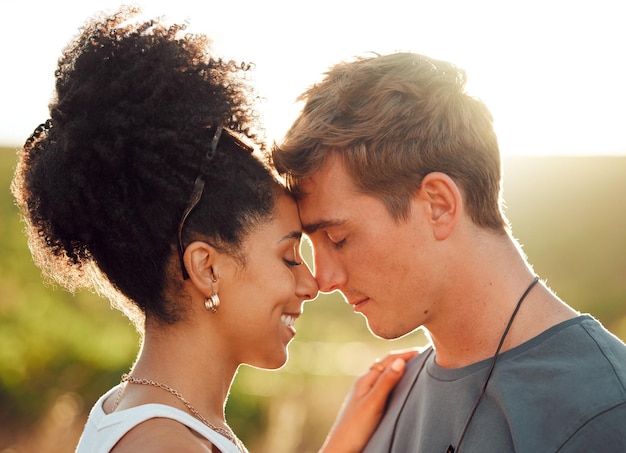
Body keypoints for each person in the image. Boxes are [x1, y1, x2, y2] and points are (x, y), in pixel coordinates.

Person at [10, 9, 416, 453]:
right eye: (288, 256)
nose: (311, 282)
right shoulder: (165, 445)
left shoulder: (145, 416)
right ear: (206, 267)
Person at [271, 51, 626, 452]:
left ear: (438, 205)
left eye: (338, 239)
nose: (323, 279)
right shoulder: (381, 402)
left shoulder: (603, 412)